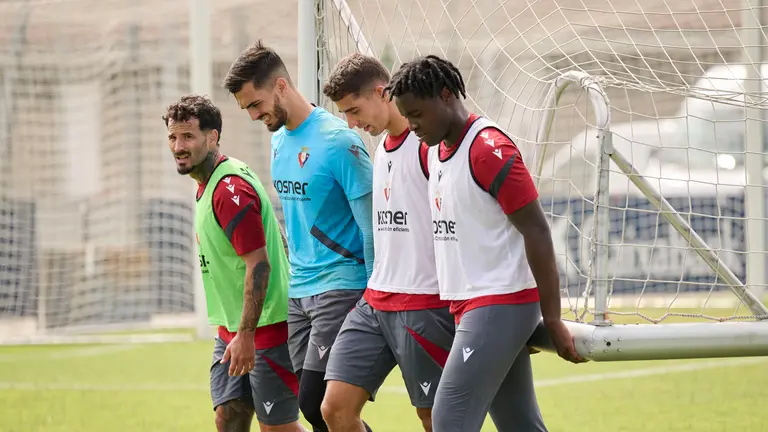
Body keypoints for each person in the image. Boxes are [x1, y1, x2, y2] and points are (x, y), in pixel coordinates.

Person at [386, 55, 587, 432]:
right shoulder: (435, 151)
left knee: (449, 420)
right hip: (472, 305)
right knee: (519, 424)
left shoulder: (488, 149)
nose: (412, 126)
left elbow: (537, 230)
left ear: (446, 95)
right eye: (406, 116)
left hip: (500, 302)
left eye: (417, 114)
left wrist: (553, 317)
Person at [223, 41, 375, 432]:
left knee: (314, 400)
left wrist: (375, 296)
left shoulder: (340, 141)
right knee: (318, 412)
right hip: (299, 290)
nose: (255, 115)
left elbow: (370, 225)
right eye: (246, 110)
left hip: (342, 284)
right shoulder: (278, 139)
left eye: (256, 104)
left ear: (280, 86)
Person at [317, 53, 456, 432]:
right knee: (334, 409)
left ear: (382, 93)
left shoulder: (429, 145)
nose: (350, 122)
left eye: (354, 109)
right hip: (376, 300)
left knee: (434, 419)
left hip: (424, 303)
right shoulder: (380, 151)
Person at [163, 94, 304, 432]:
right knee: (230, 416)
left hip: (264, 329)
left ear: (212, 137)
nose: (178, 146)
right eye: (172, 137)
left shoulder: (229, 190)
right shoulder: (209, 182)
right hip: (232, 329)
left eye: (188, 137)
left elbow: (260, 265)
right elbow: (276, 238)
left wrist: (246, 335)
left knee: (278, 428)